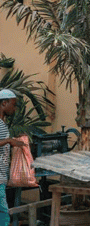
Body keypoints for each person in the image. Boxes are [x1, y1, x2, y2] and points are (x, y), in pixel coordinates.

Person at [0, 90, 22, 226]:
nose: (14, 108)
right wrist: (8, 141)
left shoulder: (2, 124)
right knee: (4, 215)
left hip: (2, 177)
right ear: (4, 103)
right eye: (13, 105)